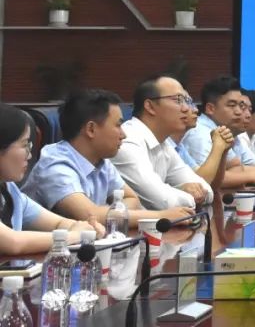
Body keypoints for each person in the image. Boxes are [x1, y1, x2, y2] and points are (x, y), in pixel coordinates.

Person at [22, 89, 194, 227]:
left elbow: (132, 199)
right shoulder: (55, 165)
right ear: (91, 129)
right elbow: (90, 215)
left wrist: (107, 213)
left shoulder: (101, 161)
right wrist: (161, 216)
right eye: (118, 125)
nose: (123, 134)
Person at [0, 103, 103, 255]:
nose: (29, 155)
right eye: (24, 145)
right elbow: (14, 242)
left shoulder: (9, 189)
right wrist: (76, 235)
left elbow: (58, 223)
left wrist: (84, 227)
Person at [112, 74, 212, 210]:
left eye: (187, 101)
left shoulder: (163, 143)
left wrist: (187, 192)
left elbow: (206, 190)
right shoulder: (127, 141)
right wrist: (186, 193)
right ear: (150, 106)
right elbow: (163, 201)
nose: (186, 108)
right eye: (178, 100)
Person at [182, 76, 255, 187]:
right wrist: (249, 176)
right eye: (232, 105)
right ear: (210, 108)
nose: (239, 112)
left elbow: (236, 166)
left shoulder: (226, 131)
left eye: (240, 106)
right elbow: (205, 181)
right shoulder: (199, 134)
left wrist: (236, 176)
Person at [167, 88, 233, 188]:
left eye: (190, 102)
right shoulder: (164, 144)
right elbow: (201, 184)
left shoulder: (179, 147)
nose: (195, 110)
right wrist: (218, 146)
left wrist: (223, 152)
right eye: (181, 102)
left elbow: (212, 185)